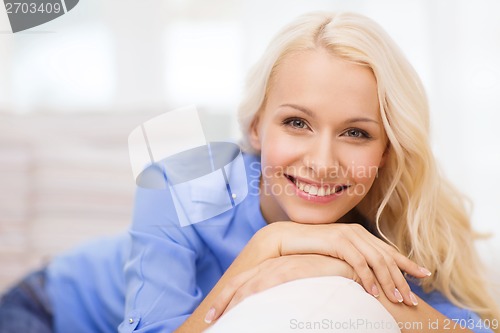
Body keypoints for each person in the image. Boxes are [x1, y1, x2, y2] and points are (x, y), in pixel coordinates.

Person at [0, 11, 498, 333]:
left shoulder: (389, 221)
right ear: (256, 126)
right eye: (296, 122)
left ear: (387, 151)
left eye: (356, 133)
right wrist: (265, 248)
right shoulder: (181, 182)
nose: (322, 162)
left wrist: (348, 275)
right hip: (50, 309)